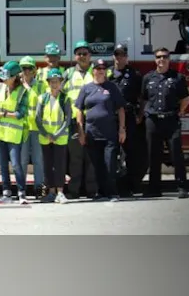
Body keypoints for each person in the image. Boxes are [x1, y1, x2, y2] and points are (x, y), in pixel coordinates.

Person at [141, 48, 189, 199]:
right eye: (158, 57)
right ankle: (154, 189)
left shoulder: (177, 78)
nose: (161, 59)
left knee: (176, 154)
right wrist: (142, 115)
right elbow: (143, 98)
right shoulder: (148, 78)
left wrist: (181, 111)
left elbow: (186, 97)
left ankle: (181, 187)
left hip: (171, 120)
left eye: (164, 57)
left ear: (169, 59)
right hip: (153, 120)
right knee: (153, 156)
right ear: (155, 59)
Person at [74, 58, 126, 202]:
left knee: (109, 163)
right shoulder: (86, 88)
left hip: (109, 133)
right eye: (98, 68)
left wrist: (122, 129)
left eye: (103, 68)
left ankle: (112, 192)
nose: (100, 71)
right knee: (97, 165)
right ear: (93, 71)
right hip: (91, 133)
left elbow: (121, 109)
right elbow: (79, 110)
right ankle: (101, 192)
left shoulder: (112, 87)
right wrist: (81, 132)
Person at [107, 43, 148, 197]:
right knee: (112, 152)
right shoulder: (107, 73)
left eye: (122, 55)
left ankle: (133, 185)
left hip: (130, 118)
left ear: (127, 57)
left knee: (132, 153)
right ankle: (113, 186)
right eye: (116, 54)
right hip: (111, 119)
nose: (119, 57)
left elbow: (143, 97)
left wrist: (140, 115)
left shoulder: (135, 75)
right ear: (113, 56)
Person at [0, 61, 30, 205]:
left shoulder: (23, 92)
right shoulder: (0, 87)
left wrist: (3, 114)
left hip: (13, 135)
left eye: (7, 76)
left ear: (14, 77)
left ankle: (21, 193)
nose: (3, 79)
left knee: (16, 164)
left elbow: (21, 113)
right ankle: (6, 192)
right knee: (2, 164)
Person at [62, 41, 98, 199]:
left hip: (93, 120)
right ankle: (74, 191)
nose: (82, 56)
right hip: (74, 122)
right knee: (75, 158)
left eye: (85, 53)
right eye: (79, 53)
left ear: (90, 55)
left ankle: (92, 191)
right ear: (75, 56)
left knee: (92, 157)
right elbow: (60, 94)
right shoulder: (68, 73)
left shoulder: (97, 71)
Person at [35, 68, 72, 204]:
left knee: (60, 165)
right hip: (45, 137)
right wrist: (46, 134)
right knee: (48, 165)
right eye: (52, 81)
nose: (54, 84)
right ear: (48, 82)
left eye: (57, 81)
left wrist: (57, 134)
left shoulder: (65, 98)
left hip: (60, 137)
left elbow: (68, 119)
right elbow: (37, 119)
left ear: (61, 82)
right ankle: (51, 192)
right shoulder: (42, 98)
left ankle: (60, 192)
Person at [19, 55, 46, 200]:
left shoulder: (41, 86)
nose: (27, 71)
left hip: (37, 128)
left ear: (34, 70)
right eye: (24, 68)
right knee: (22, 160)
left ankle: (38, 188)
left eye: (30, 68)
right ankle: (21, 189)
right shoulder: (16, 85)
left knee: (38, 160)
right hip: (22, 129)